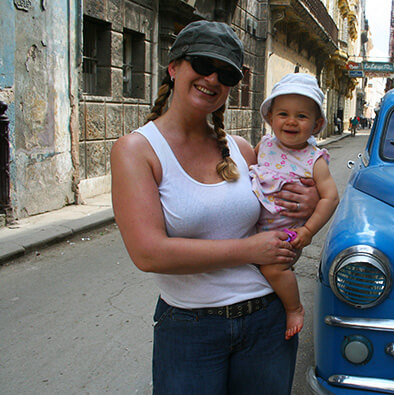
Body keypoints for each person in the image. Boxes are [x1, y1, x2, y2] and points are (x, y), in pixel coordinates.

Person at [110, 20, 319, 394]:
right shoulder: (137, 150)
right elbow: (148, 253)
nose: (213, 78)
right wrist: (248, 250)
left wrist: (306, 203)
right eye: (203, 64)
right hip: (190, 331)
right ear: (174, 67)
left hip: (267, 323)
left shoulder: (240, 149)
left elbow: (276, 220)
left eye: (225, 73)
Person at [251, 73, 339, 340]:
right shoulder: (263, 145)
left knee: (273, 268)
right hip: (254, 229)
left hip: (285, 234)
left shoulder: (314, 159)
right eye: (283, 114)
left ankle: (294, 308)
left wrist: (309, 231)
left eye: (301, 116)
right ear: (270, 118)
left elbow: (330, 197)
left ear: (316, 124)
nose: (291, 121)